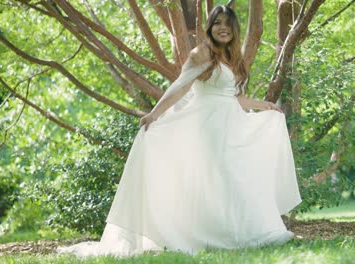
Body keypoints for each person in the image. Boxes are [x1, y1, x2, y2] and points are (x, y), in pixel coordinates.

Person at [57, 4, 301, 257]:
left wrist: (265, 106)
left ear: (234, 29)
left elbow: (235, 97)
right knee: (222, 174)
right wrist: (155, 113)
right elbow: (181, 87)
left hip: (231, 124)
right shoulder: (202, 54)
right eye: (217, 23)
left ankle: (239, 234)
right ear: (210, 26)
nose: (223, 28)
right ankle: (216, 235)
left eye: (228, 24)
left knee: (234, 178)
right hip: (208, 126)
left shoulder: (232, 56)